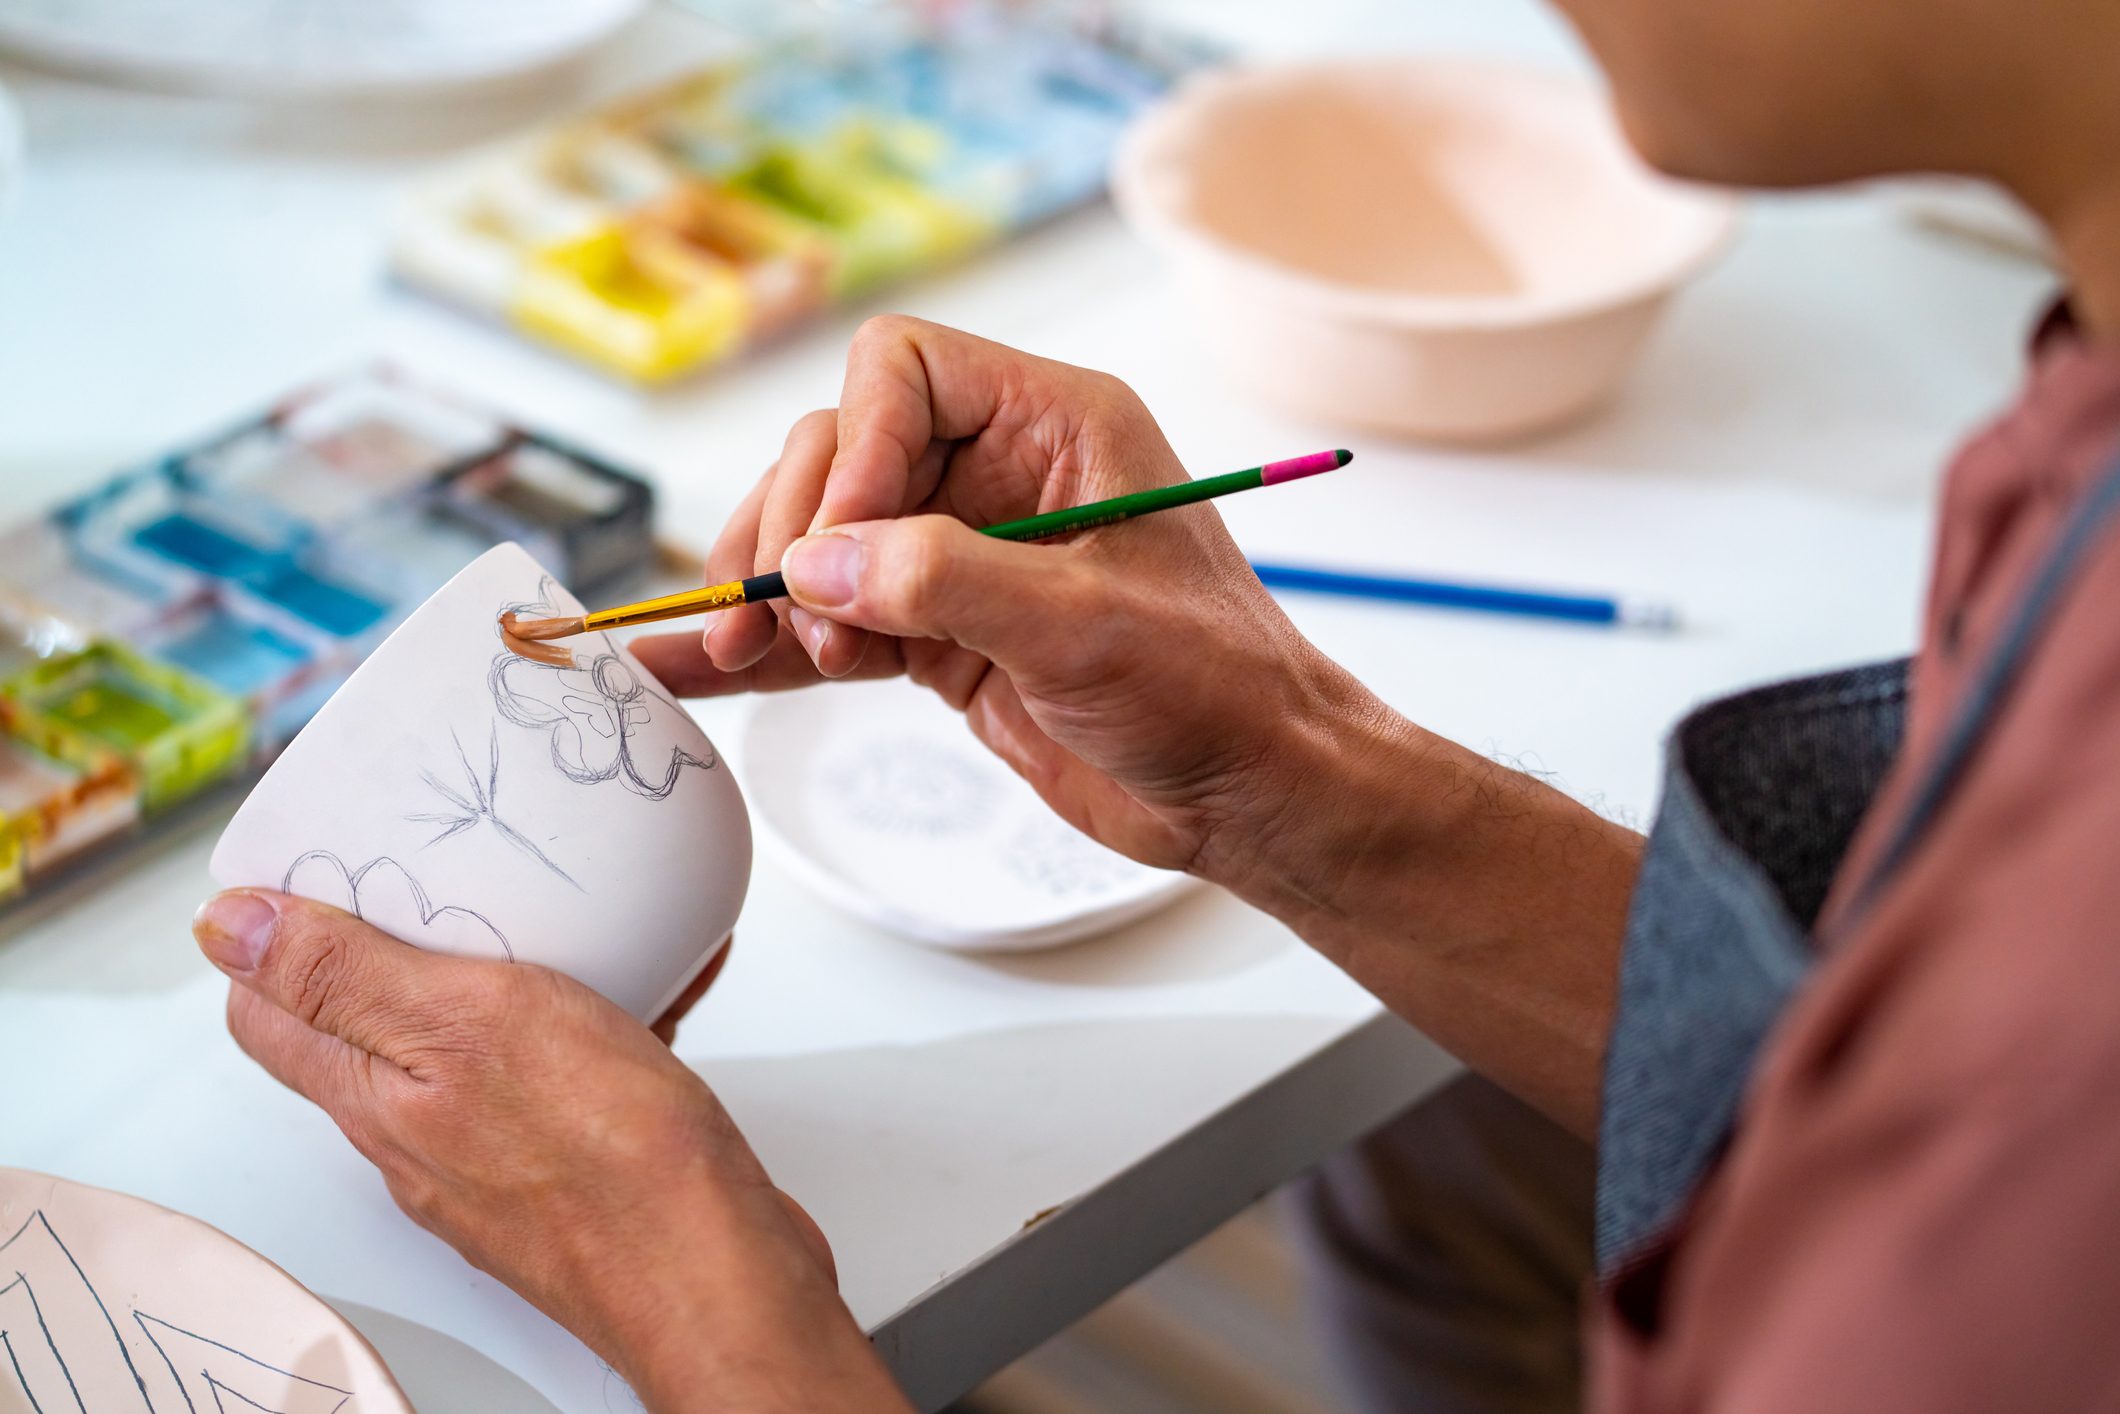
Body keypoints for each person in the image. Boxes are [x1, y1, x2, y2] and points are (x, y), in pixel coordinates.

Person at [190, 0, 2120, 1404]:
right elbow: (1817, 1067)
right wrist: (1282, 770)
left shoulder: (2052, 1064)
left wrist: (707, 1302)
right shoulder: (2067, 422)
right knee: (1435, 1154)